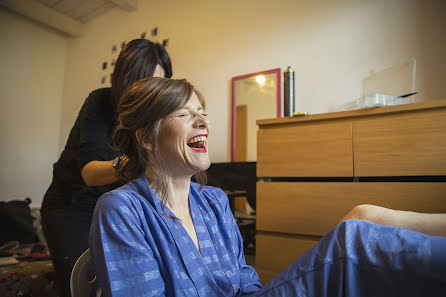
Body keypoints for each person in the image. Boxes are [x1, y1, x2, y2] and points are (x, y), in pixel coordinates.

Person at [89, 77, 446, 297]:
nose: (203, 121)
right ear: (146, 138)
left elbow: (245, 281)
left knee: (363, 218)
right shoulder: (121, 210)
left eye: (202, 111)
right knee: (353, 242)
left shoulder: (213, 201)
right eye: (184, 114)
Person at [40, 39, 172, 297]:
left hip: (113, 207)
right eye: (146, 84)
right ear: (127, 79)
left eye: (160, 85)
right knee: (84, 284)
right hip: (71, 207)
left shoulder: (153, 119)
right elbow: (90, 173)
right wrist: (140, 159)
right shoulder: (99, 102)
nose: (153, 93)